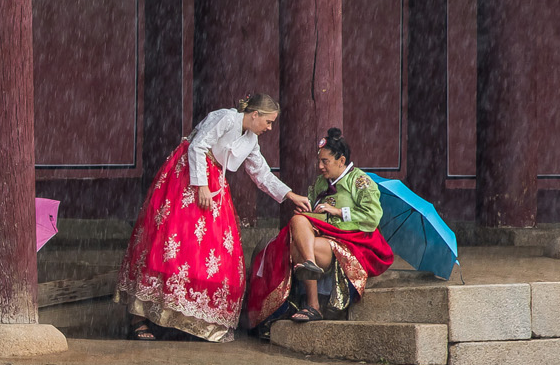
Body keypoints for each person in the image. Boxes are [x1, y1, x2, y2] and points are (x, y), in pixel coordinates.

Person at [114, 94, 313, 342]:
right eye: (268, 121)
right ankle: (139, 317)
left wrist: (290, 195)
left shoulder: (251, 140)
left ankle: (192, 320)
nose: (269, 128)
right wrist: (201, 185)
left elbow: (261, 173)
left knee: (213, 252)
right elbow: (197, 145)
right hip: (187, 176)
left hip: (214, 182)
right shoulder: (225, 118)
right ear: (255, 114)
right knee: (170, 241)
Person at [245, 127, 394, 331]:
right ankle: (311, 286)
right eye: (319, 161)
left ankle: (312, 301)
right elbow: (317, 216)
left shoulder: (359, 181)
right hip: (322, 240)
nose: (320, 166)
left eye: (326, 161)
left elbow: (372, 217)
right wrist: (310, 213)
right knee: (298, 221)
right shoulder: (320, 183)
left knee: (299, 247)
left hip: (349, 243)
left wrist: (338, 211)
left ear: (341, 160)